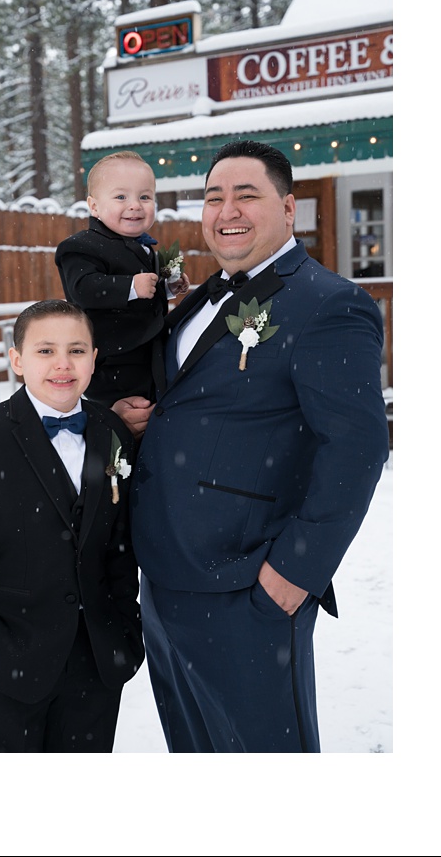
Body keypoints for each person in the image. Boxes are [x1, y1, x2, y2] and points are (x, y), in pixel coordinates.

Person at [129, 140, 389, 752]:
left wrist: (293, 574)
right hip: (164, 582)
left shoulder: (329, 304)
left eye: (247, 195)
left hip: (248, 587)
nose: (227, 211)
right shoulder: (195, 297)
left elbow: (356, 449)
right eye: (214, 197)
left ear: (289, 208)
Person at [0, 299, 144, 752]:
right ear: (16, 360)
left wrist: (125, 632)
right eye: (45, 351)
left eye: (77, 350)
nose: (62, 365)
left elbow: (119, 546)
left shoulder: (112, 432)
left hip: (98, 662)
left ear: (94, 358)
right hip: (11, 663)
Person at [55, 150, 171, 406]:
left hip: (153, 356)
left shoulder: (144, 247)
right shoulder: (81, 246)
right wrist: (130, 286)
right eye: (121, 196)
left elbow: (147, 295)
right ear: (94, 205)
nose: (135, 205)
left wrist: (168, 288)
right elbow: (83, 289)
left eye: (145, 197)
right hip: (114, 365)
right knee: (126, 424)